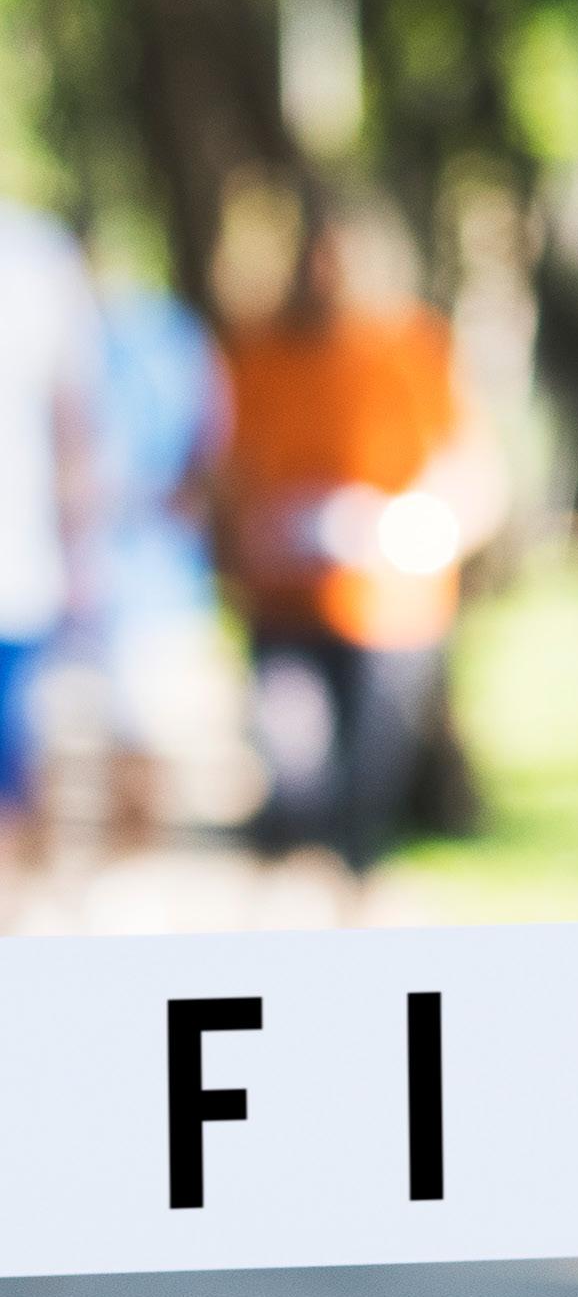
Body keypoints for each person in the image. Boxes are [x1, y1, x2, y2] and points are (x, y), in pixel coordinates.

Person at [219, 201, 503, 879]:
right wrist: (252, 532)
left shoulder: (415, 349)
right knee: (293, 774)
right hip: (286, 602)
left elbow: (476, 475)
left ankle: (354, 901)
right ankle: (300, 893)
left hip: (392, 611)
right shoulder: (260, 355)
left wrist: (416, 527)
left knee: (365, 796)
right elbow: (228, 474)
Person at [95, 266, 231, 847]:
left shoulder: (176, 340)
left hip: (157, 579)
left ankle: (133, 854)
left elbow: (210, 456)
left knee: (149, 731)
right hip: (103, 579)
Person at [0, 201, 100, 899]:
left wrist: (80, 551)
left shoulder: (37, 256)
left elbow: (74, 419)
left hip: (16, 567)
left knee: (13, 767)